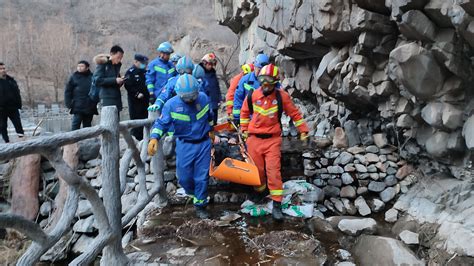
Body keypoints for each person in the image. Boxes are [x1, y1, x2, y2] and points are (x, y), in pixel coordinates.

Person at [240, 64, 309, 221]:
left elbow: (295, 114)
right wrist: (244, 130)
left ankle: (277, 204)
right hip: (254, 140)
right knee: (257, 172)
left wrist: (303, 130)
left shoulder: (281, 97)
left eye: (268, 81)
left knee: (273, 171)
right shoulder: (252, 95)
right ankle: (261, 192)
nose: (264, 84)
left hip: (272, 140)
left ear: (275, 82)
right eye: (262, 80)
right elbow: (244, 113)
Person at [148, 74, 215, 219]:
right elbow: (161, 123)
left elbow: (209, 116)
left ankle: (201, 206)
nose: (190, 100)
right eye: (187, 98)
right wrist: (154, 138)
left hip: (203, 143)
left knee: (202, 177)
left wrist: (212, 132)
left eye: (193, 96)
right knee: (184, 177)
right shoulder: (171, 105)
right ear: (179, 94)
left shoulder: (203, 98)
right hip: (185, 144)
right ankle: (193, 194)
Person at [233, 54, 270, 123]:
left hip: (266, 118)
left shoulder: (270, 81)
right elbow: (238, 98)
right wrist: (237, 116)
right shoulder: (245, 80)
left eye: (262, 71)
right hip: (249, 117)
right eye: (259, 70)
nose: (260, 73)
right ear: (255, 66)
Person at [64, 60, 98, 131]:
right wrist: (69, 104)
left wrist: (95, 101)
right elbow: (68, 91)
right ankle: (74, 141)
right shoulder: (73, 77)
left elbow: (96, 90)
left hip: (90, 105)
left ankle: (87, 141)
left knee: (87, 125)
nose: (79, 68)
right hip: (77, 105)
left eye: (82, 66)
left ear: (87, 67)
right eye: (78, 66)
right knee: (75, 124)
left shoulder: (92, 77)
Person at [124, 54, 149, 140]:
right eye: (141, 63)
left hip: (145, 102)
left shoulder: (145, 72)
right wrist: (137, 93)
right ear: (135, 62)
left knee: (145, 121)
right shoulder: (130, 72)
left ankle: (144, 140)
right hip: (135, 102)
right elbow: (128, 85)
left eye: (144, 63)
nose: (143, 64)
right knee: (136, 123)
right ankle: (136, 142)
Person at [93, 45, 125, 112]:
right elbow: (97, 80)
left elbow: (115, 82)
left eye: (121, 58)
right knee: (109, 119)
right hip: (106, 97)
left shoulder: (117, 66)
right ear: (112, 54)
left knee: (116, 120)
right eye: (118, 57)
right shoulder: (103, 64)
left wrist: (121, 81)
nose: (119, 60)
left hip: (116, 96)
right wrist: (115, 80)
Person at [0, 62, 24, 143]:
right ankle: (6, 142)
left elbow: (17, 93)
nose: (3, 70)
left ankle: (22, 141)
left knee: (18, 125)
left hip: (13, 107)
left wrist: (19, 104)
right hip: (1, 109)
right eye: (1, 69)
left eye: (4, 68)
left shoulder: (11, 80)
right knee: (3, 126)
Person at [199, 53, 221, 125]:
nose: (211, 66)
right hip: (205, 102)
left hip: (214, 101)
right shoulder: (199, 73)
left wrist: (219, 98)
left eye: (212, 64)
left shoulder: (213, 73)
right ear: (204, 63)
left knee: (214, 122)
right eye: (210, 64)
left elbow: (216, 86)